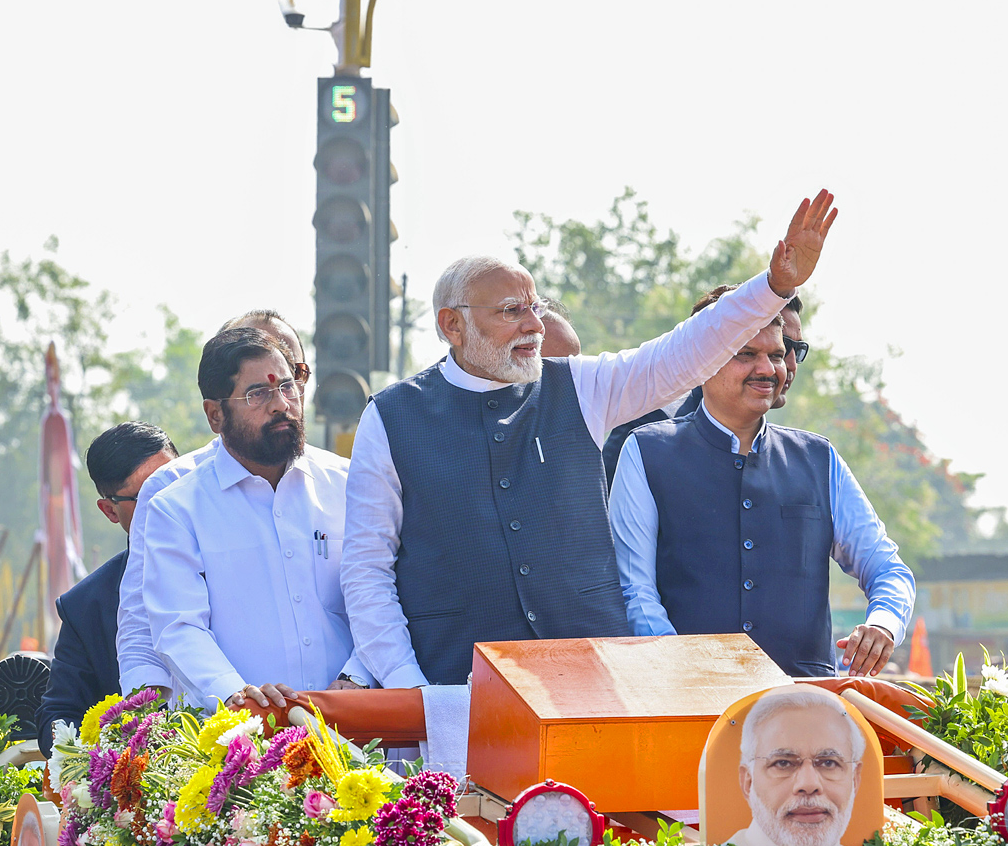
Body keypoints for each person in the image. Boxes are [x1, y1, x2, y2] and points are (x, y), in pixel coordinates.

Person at [342, 190, 838, 688]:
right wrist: (410, 688)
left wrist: (773, 288)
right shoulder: (391, 418)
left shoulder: (579, 387)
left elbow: (678, 354)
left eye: (535, 308)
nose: (535, 326)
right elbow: (367, 573)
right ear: (452, 325)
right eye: (512, 311)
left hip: (591, 686)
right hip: (456, 689)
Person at [609, 294, 914, 677]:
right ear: (699, 360)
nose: (768, 369)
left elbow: (887, 567)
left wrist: (884, 623)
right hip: (692, 702)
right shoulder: (647, 451)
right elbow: (634, 592)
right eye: (746, 354)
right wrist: (682, 675)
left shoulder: (818, 458)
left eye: (775, 354)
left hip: (805, 706)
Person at [116, 309, 368, 707]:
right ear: (215, 414)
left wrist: (359, 675)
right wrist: (236, 695)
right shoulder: (175, 506)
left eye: (288, 387)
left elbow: (382, 597)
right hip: (240, 743)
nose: (281, 405)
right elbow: (176, 627)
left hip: (357, 727)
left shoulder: (351, 485)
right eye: (258, 394)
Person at [35, 422, 177, 757]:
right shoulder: (86, 606)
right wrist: (99, 753)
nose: (168, 503)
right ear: (110, 510)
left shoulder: (240, 563)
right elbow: (58, 713)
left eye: (175, 483)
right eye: (147, 496)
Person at [602, 290, 806, 486]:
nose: (790, 365)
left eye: (784, 352)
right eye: (749, 351)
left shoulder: (808, 458)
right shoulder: (651, 427)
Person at [729, 686, 864, 846]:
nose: (809, 784)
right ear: (748, 782)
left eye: (828, 763)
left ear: (854, 780)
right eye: (783, 763)